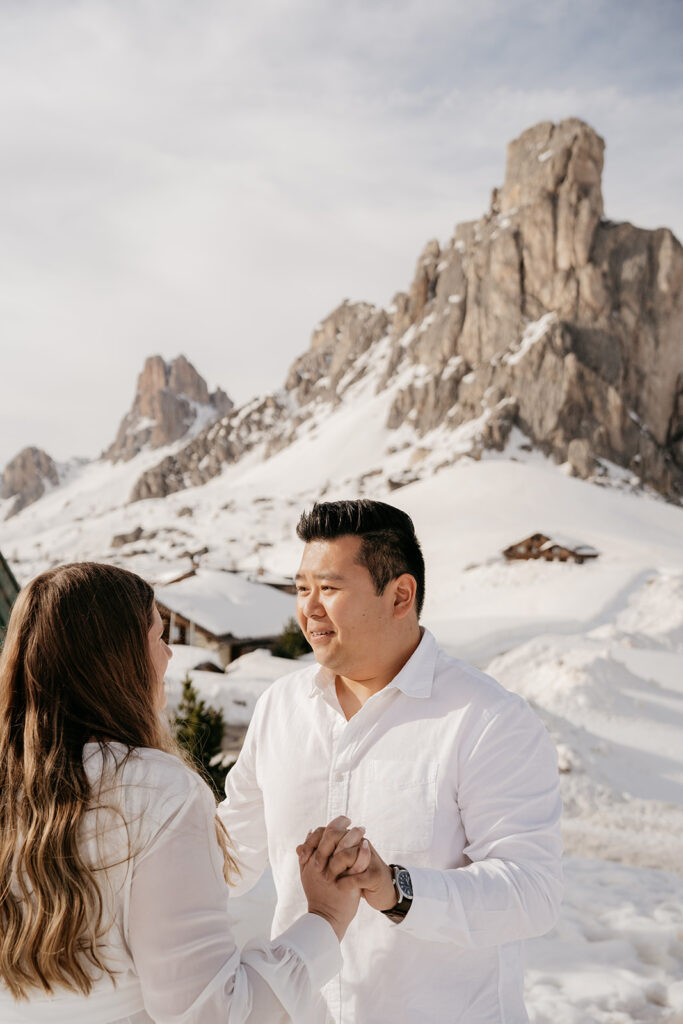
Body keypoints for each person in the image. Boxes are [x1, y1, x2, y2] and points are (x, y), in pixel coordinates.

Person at [220, 499, 563, 1023]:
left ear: (400, 595)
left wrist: (395, 888)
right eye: (301, 588)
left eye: (329, 588)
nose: (309, 608)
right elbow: (226, 859)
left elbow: (531, 892)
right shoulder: (279, 708)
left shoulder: (488, 719)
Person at [0, 562, 369, 1024]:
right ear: (119, 661)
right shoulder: (154, 791)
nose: (169, 657)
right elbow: (211, 1012)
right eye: (158, 638)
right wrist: (324, 920)